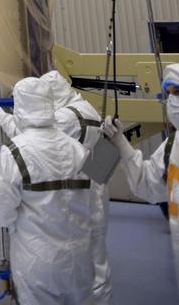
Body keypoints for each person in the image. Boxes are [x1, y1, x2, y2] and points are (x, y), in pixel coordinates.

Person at [0, 76, 93, 305]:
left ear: (20, 107)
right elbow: (92, 201)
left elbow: (1, 215)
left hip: (38, 262)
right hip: (80, 259)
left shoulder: (15, 152)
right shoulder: (77, 149)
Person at [102, 60, 179, 289]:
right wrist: (120, 142)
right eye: (170, 94)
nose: (173, 101)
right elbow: (147, 184)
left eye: (178, 92)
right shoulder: (173, 146)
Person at [41, 70, 110, 303]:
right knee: (98, 258)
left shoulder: (65, 117)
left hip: (77, 196)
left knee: (76, 259)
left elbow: (37, 143)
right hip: (97, 190)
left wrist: (1, 115)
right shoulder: (87, 108)